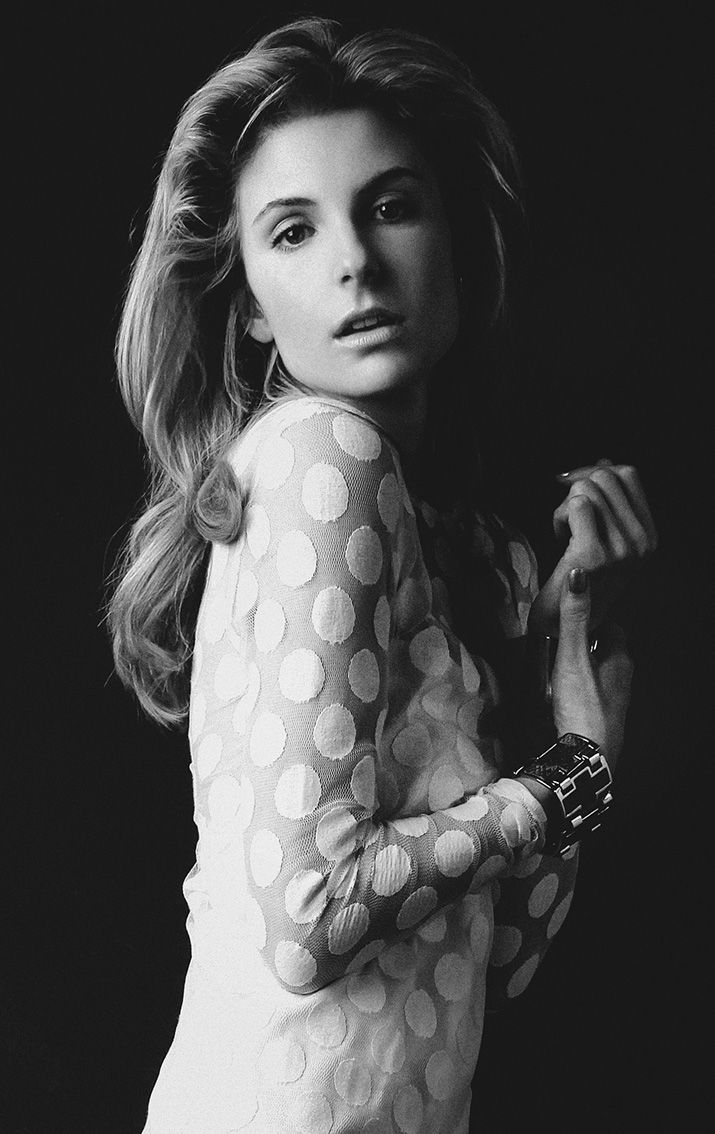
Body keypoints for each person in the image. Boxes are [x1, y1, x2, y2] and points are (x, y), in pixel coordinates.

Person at [108, 16, 657, 1134]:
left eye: (391, 206)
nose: (354, 258)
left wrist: (572, 678)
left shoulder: (459, 545)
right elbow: (311, 922)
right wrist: (564, 783)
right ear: (249, 306)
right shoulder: (326, 457)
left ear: (454, 238)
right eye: (294, 230)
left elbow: (492, 962)